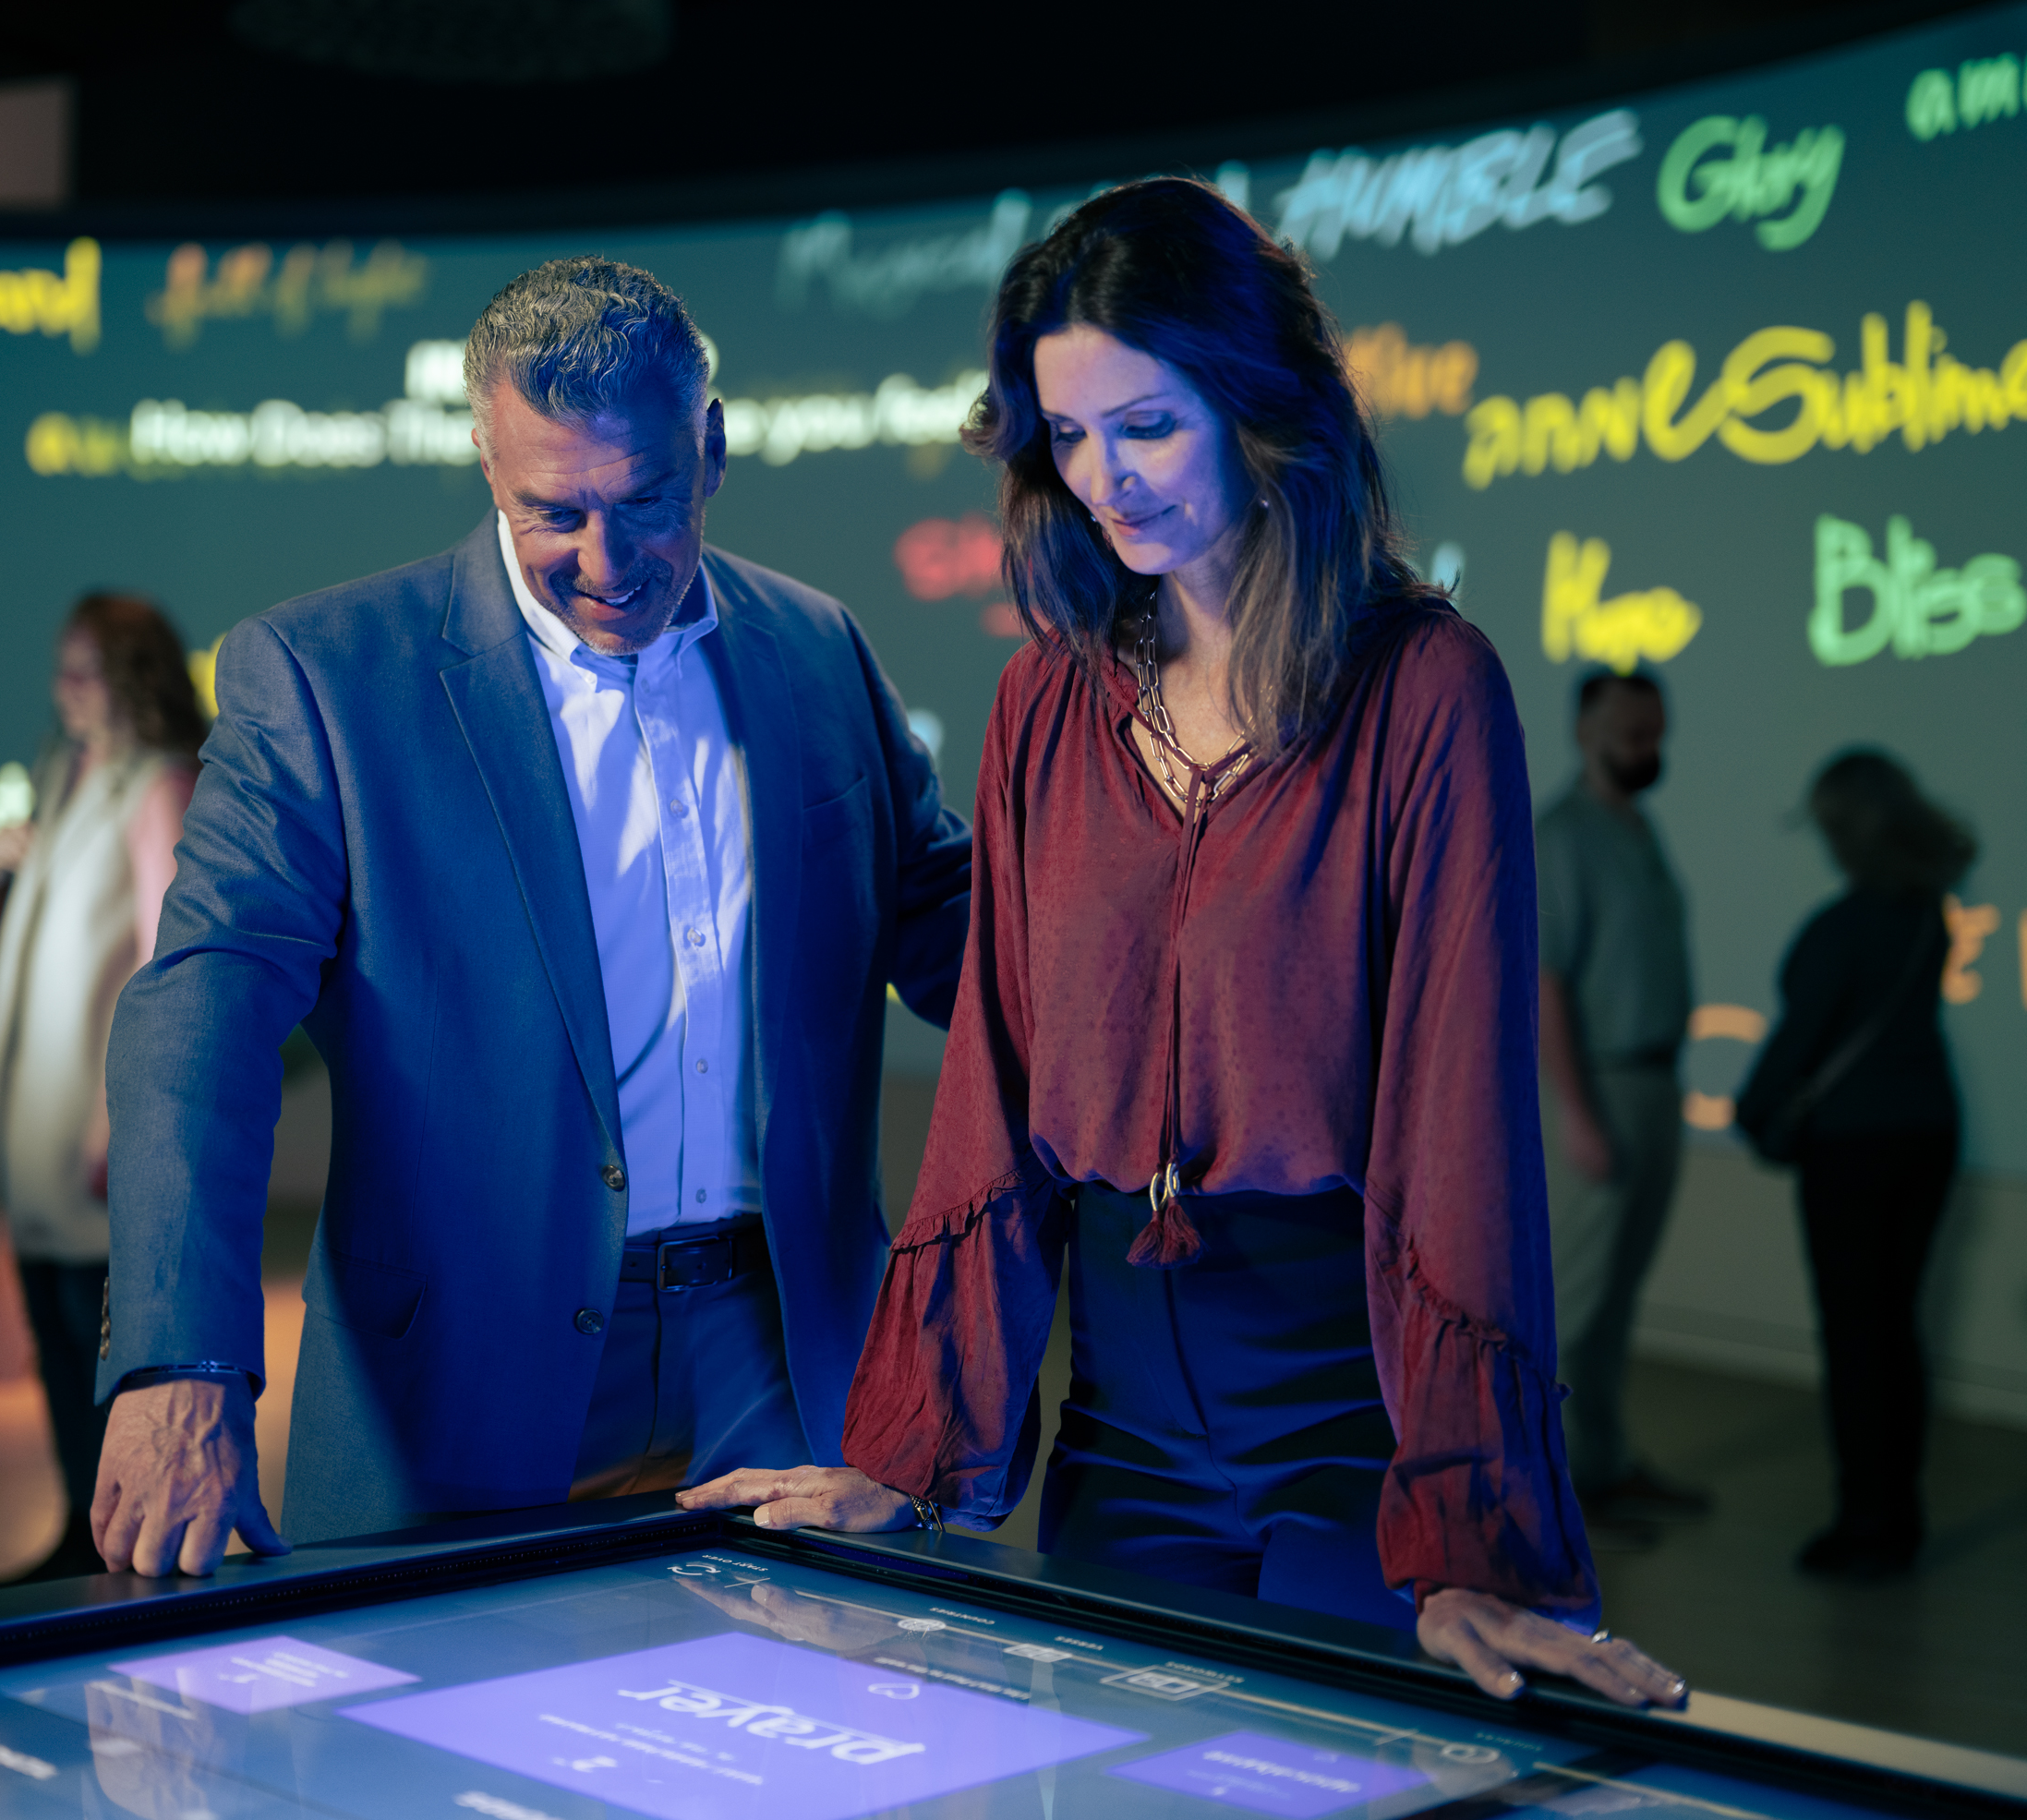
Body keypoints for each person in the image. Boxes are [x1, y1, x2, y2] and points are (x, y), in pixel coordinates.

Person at [682, 178, 1684, 1712]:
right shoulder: (1043, 705)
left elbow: (1459, 1131)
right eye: (1069, 436)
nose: (1104, 479)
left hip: (1355, 1432)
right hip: (1120, 1433)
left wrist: (1477, 1529)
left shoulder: (1429, 689)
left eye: (1144, 424)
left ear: (1256, 395)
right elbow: (992, 1106)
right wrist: (906, 1449)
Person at [90, 257, 972, 1575]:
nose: (604, 563)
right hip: (458, 1370)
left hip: (782, 1353)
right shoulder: (324, 675)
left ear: (713, 446)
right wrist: (183, 1355)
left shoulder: (820, 646)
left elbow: (946, 924)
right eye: (550, 512)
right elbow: (198, 1010)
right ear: (482, 459)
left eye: (645, 501)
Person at [0, 594, 206, 1584]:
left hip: (92, 1120)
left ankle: (114, 1543)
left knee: (95, 1335)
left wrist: (128, 1118)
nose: (65, 690)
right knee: (56, 1339)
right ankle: (82, 1524)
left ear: (133, 674)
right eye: (62, 668)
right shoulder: (66, 777)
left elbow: (167, 959)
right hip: (34, 1116)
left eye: (86, 669)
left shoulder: (156, 785)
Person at [1736, 751, 1971, 1581]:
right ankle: (1897, 1510)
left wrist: (1747, 1112)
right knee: (1896, 1325)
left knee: (1854, 1331)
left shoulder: (1839, 930)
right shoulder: (1926, 914)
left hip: (1854, 1148)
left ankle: (1865, 1521)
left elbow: (1797, 1043)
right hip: (1931, 1132)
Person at [1533, 671, 1710, 1536]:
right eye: (1633, 731)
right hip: (1596, 1086)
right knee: (1576, 1299)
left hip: (1648, 1082)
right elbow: (1545, 982)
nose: (1649, 747)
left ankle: (1601, 1466)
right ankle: (1552, 1487)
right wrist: (1576, 1112)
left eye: (1656, 730)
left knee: (1617, 1294)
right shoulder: (1564, 837)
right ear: (1586, 730)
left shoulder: (1637, 828)